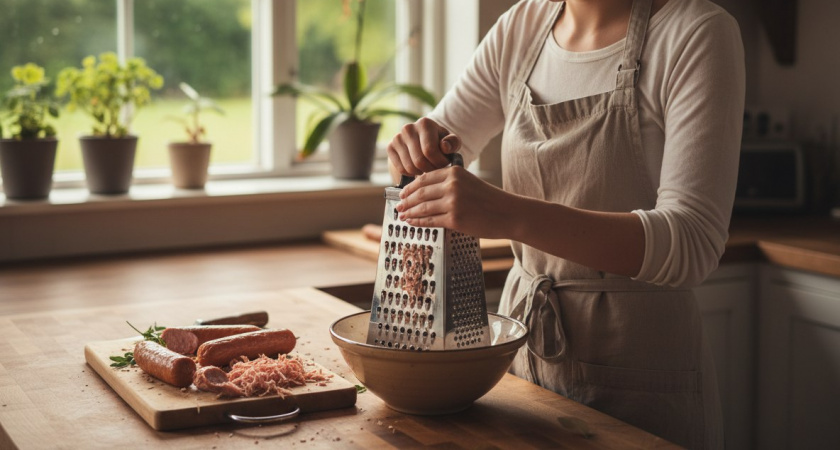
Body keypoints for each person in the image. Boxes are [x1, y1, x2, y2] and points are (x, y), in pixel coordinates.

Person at [387, 0, 744, 447]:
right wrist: (416, 150)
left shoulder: (696, 32)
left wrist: (505, 213)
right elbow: (437, 146)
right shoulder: (521, 27)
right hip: (523, 360)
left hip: (639, 371)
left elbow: (692, 242)